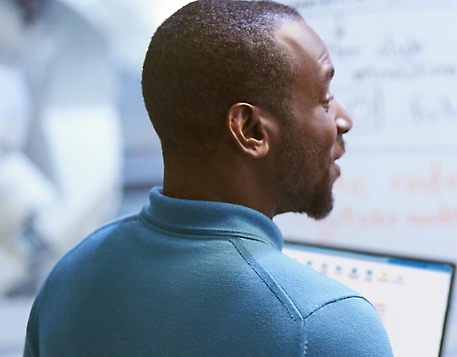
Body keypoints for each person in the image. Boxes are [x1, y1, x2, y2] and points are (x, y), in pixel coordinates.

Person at [23, 1, 393, 355]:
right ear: (250, 130)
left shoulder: (71, 276)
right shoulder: (325, 324)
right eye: (325, 98)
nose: (344, 119)